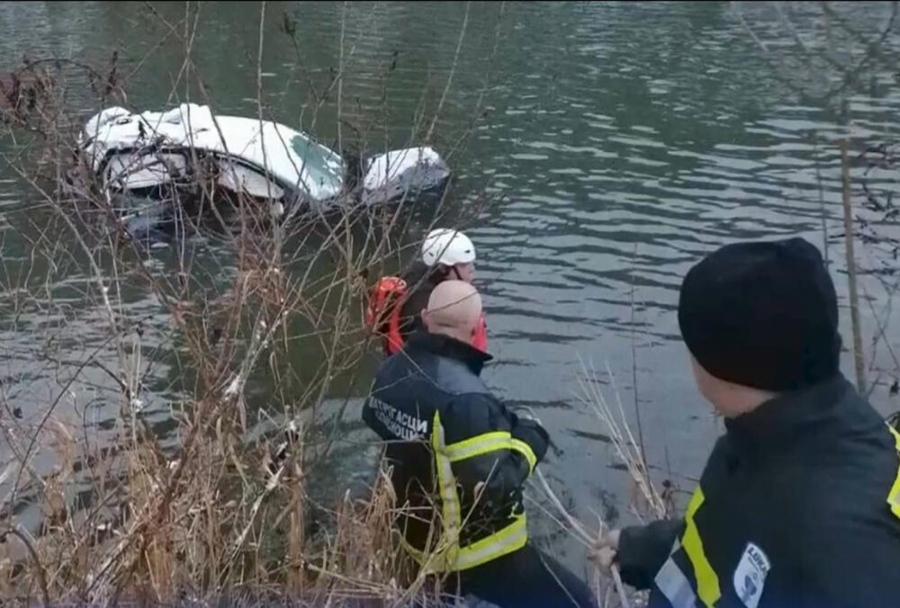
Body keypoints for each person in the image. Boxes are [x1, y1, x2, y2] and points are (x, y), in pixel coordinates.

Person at [596, 237, 900, 608]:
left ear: (722, 368)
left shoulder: (843, 551)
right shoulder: (778, 436)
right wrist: (645, 550)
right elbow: (736, 538)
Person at [362, 280, 596, 608]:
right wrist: (532, 441)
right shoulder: (467, 398)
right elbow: (493, 486)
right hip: (474, 557)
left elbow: (372, 415)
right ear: (476, 327)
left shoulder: (391, 369)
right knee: (580, 600)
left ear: (426, 317)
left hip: (415, 544)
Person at [365, 228, 487, 356]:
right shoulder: (424, 304)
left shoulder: (418, 274)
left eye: (470, 263)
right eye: (463, 265)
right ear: (443, 268)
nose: (471, 269)